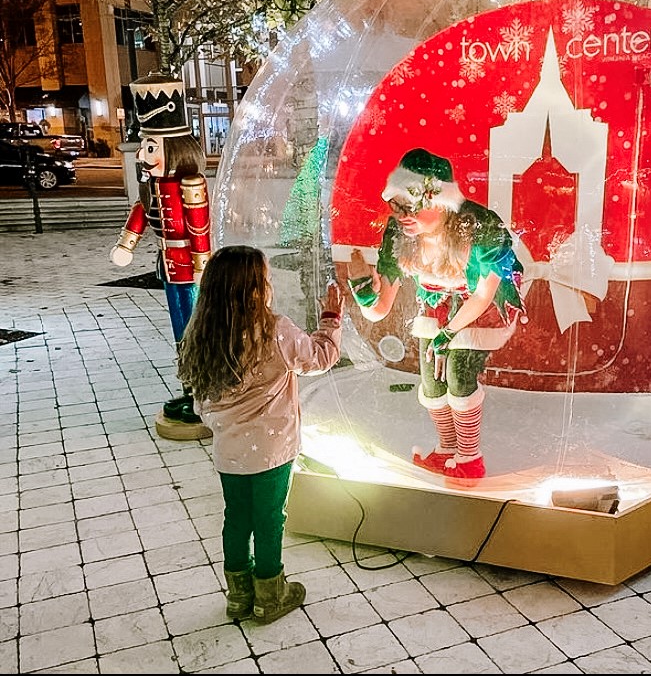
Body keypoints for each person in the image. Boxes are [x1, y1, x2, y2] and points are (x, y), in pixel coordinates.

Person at [177, 245, 343, 623]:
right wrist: (331, 319)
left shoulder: (203, 333)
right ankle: (270, 593)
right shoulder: (275, 329)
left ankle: (238, 596)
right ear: (255, 288)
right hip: (272, 449)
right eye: (265, 279)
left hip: (229, 449)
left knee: (236, 518)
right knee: (269, 519)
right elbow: (317, 359)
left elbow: (200, 402)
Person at [346, 148, 525, 480]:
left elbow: (485, 294)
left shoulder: (480, 226)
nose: (402, 216)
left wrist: (448, 333)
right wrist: (362, 287)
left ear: (440, 202)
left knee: (458, 373)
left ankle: (470, 457)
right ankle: (446, 450)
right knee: (431, 384)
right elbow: (379, 309)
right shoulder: (399, 234)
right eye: (396, 206)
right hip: (435, 306)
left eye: (411, 207)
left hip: (479, 308)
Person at [109, 73, 211, 426]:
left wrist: (202, 266)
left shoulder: (191, 184)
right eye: (144, 146)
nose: (142, 154)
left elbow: (200, 227)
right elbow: (140, 214)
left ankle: (203, 391)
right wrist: (127, 244)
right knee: (180, 330)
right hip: (169, 267)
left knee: (196, 329)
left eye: (150, 147)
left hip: (190, 269)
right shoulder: (151, 188)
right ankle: (190, 389)